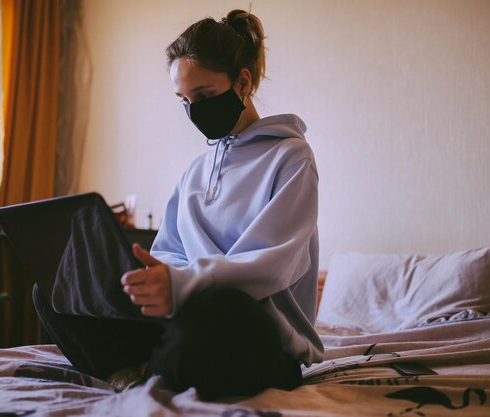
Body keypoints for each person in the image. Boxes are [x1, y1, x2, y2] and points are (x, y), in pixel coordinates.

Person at [33, 9, 323, 400]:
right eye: (184, 100)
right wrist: (144, 282)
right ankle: (143, 370)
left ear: (243, 82)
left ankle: (146, 369)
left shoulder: (291, 158)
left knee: (221, 311)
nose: (194, 110)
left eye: (203, 95)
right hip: (185, 320)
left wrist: (184, 285)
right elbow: (168, 252)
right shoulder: (194, 172)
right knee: (53, 290)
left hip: (260, 336)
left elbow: (271, 266)